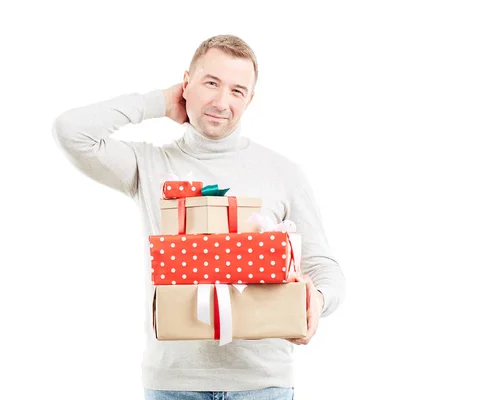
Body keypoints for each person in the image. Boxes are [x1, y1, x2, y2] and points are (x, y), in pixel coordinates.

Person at [52, 34, 346, 400]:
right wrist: (158, 102)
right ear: (186, 83)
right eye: (211, 83)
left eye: (238, 91)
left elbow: (325, 267)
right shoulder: (149, 165)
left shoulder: (283, 172)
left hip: (262, 385)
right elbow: (71, 131)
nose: (222, 102)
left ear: (250, 100)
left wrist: (316, 300)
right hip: (174, 385)